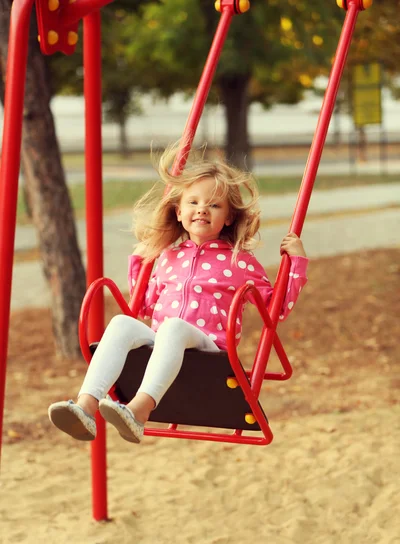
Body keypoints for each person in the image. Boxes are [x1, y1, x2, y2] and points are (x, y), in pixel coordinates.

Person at [48, 145, 308, 444]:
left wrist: (296, 263)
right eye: (193, 202)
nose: (201, 209)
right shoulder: (168, 257)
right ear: (179, 212)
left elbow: (276, 310)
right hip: (164, 342)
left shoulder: (239, 261)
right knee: (121, 323)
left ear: (228, 218)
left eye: (214, 205)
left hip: (209, 349)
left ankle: (138, 411)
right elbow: (145, 306)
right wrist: (141, 260)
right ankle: (85, 407)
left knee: (172, 327)